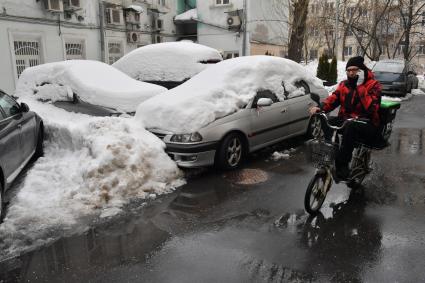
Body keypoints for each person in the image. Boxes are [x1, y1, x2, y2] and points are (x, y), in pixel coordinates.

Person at [309, 56, 382, 180]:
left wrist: (361, 87)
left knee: (350, 126)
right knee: (326, 120)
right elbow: (334, 99)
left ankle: (342, 165)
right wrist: (320, 108)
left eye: (355, 69)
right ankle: (333, 151)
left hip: (367, 122)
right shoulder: (344, 84)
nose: (351, 73)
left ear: (362, 71)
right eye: (349, 70)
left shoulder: (374, 85)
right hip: (347, 119)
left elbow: (372, 108)